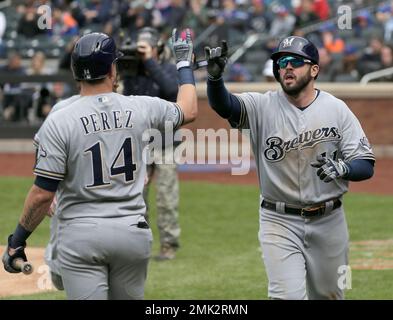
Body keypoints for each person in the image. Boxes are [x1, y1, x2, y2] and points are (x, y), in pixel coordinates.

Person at [2, 29, 197, 300]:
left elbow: (43, 194)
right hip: (133, 233)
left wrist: (17, 241)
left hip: (81, 235)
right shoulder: (140, 107)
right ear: (111, 70)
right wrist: (184, 64)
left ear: (75, 71)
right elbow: (188, 109)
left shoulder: (60, 118)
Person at [204, 36, 375, 299]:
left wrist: (344, 168)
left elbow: (365, 164)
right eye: (281, 62)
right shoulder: (261, 106)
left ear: (314, 69)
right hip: (278, 220)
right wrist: (215, 79)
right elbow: (224, 105)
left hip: (330, 221)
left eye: (295, 61)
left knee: (330, 296)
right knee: (286, 296)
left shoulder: (336, 109)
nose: (287, 67)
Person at [123, 27, 181, 261]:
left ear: (157, 49)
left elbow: (171, 90)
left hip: (166, 142)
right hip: (140, 143)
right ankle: (139, 244)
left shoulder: (167, 68)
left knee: (166, 197)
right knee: (137, 196)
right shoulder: (132, 72)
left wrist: (150, 63)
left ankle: (169, 245)